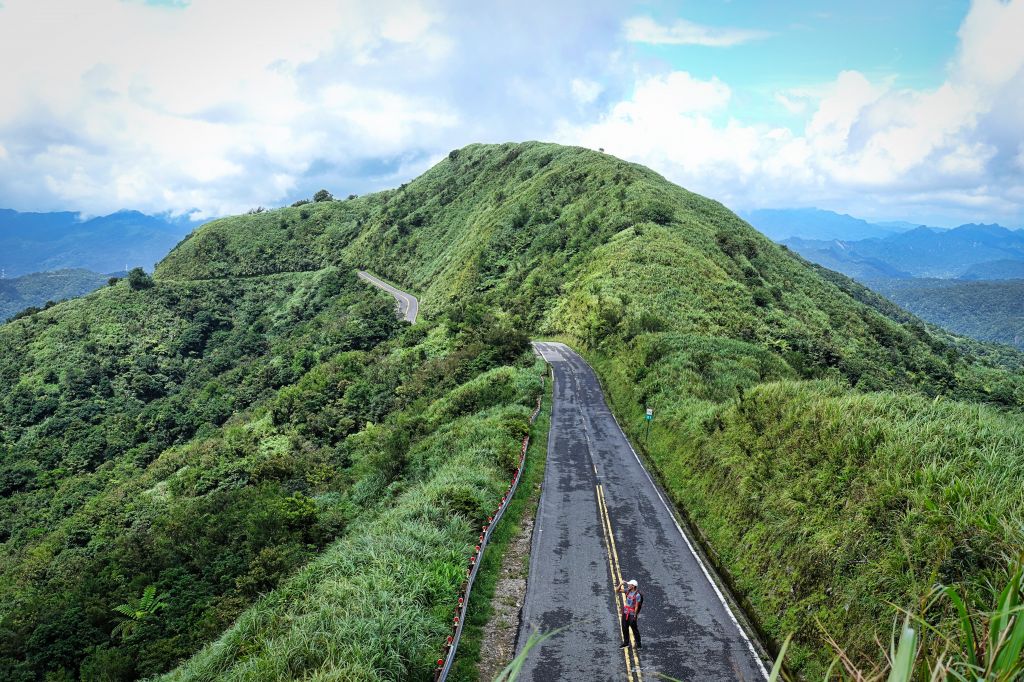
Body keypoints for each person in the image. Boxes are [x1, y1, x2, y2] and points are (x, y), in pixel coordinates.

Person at [616, 579, 643, 649]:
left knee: (634, 629)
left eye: (629, 584)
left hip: (632, 614)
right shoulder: (627, 591)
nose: (628, 585)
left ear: (633, 586)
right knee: (624, 628)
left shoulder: (637, 595)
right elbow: (617, 590)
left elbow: (637, 606)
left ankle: (639, 644)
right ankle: (626, 643)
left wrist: (635, 616)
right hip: (625, 612)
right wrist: (621, 584)